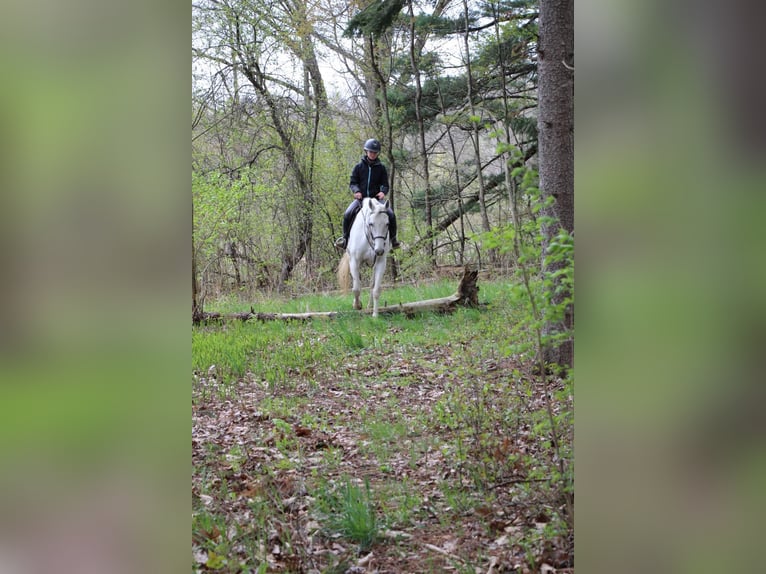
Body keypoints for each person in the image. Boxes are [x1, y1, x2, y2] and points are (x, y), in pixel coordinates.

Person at [335, 138, 400, 250]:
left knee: (391, 214)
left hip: (377, 200)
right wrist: (356, 191)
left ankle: (393, 240)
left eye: (375, 152)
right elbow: (353, 182)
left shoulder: (381, 168)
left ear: (377, 153)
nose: (373, 154)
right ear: (366, 151)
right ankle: (345, 239)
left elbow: (385, 184)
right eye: (370, 152)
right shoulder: (359, 167)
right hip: (361, 199)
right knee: (347, 214)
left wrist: (383, 192)